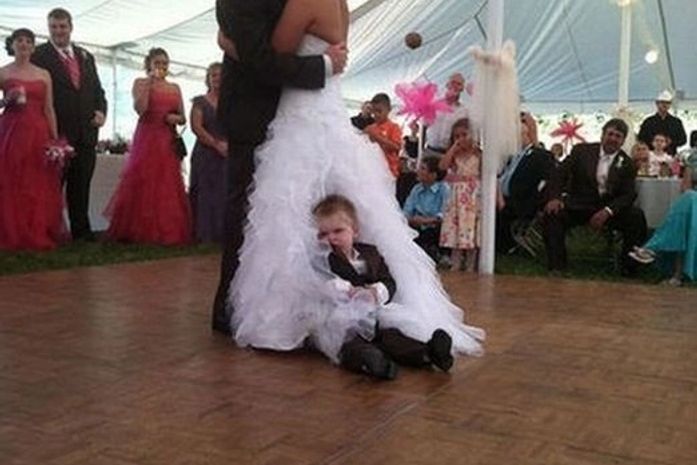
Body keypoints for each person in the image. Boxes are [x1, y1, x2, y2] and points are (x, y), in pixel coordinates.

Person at [226, 0, 484, 357]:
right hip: (328, 108)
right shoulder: (341, 5)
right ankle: (392, 320)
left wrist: (230, 45)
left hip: (302, 114)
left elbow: (274, 55)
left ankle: (303, 309)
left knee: (289, 208)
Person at [212, 0, 348, 335]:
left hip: (295, 113)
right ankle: (236, 303)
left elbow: (264, 55)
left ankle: (297, 304)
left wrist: (231, 46)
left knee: (291, 210)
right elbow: (262, 59)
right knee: (251, 212)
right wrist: (322, 65)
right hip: (255, 116)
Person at [311, 195, 455, 380]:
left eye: (338, 231)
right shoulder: (323, 260)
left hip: (375, 313)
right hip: (343, 320)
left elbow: (389, 281)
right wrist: (346, 289)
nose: (331, 238)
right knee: (351, 345)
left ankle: (428, 353)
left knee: (392, 337)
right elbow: (320, 282)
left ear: (355, 231)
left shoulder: (370, 253)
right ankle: (372, 362)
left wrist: (377, 291)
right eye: (323, 234)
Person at [32, 8, 107, 241]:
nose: (58, 31)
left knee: (81, 185)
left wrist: (101, 112)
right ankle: (49, 231)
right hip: (57, 134)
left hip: (86, 133)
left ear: (71, 27)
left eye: (62, 26)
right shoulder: (39, 55)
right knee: (52, 186)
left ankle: (81, 232)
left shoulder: (85, 56)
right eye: (53, 27)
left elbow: (98, 91)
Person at [104, 48, 191, 245]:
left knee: (167, 180)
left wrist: (174, 118)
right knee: (143, 178)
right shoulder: (140, 83)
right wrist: (150, 84)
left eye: (165, 63)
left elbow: (183, 117)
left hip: (167, 137)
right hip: (148, 136)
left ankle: (167, 229)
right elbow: (140, 109)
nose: (161, 67)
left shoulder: (175, 87)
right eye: (157, 63)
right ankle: (138, 228)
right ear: (149, 64)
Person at [543, 118, 648, 275]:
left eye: (618, 136)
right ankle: (557, 266)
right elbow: (559, 174)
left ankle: (629, 267)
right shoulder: (581, 151)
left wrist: (608, 211)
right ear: (602, 135)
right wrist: (555, 198)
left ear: (623, 141)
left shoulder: (627, 164)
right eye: (610, 134)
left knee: (636, 217)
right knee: (553, 213)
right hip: (579, 205)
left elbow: (628, 195)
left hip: (608, 209)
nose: (613, 139)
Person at [0, 28, 65, 250]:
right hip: (11, 131)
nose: (24, 44)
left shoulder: (44, 74)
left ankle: (36, 228)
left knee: (36, 181)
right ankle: (11, 230)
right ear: (12, 44)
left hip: (38, 132)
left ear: (33, 47)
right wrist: (5, 101)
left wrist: (55, 140)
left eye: (28, 41)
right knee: (12, 178)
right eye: (20, 40)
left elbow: (49, 108)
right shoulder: (3, 72)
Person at [629, 148, 697, 286]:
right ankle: (676, 273)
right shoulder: (694, 157)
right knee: (688, 203)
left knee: (688, 206)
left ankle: (654, 249)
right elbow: (686, 187)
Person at [496, 112, 555, 254]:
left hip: (520, 202)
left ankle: (505, 246)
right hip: (501, 197)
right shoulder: (511, 156)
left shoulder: (540, 156)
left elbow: (546, 182)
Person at [189, 62, 227, 243]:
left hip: (227, 152)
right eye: (213, 75)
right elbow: (196, 127)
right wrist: (215, 144)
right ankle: (204, 234)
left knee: (224, 191)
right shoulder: (200, 102)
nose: (217, 78)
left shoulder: (231, 101)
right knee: (204, 192)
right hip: (205, 152)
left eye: (220, 75)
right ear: (208, 79)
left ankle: (223, 233)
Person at [439, 118, 481, 271]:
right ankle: (455, 263)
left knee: (470, 227)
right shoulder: (455, 155)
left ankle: (470, 265)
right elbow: (442, 166)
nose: (461, 139)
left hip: (472, 195)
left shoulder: (478, 154)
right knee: (456, 227)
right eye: (457, 136)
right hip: (457, 195)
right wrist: (452, 149)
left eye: (464, 135)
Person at [403, 156, 449, 262]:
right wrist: (412, 219)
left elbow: (446, 213)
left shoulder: (444, 189)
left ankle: (441, 255)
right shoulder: (416, 189)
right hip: (417, 225)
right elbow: (406, 211)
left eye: (423, 169)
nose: (418, 171)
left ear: (433, 175)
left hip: (435, 226)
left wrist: (428, 220)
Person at [423, 73, 468, 157]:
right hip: (430, 151)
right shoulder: (434, 105)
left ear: (462, 88)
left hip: (450, 154)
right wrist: (421, 149)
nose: (455, 86)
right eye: (453, 82)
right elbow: (424, 126)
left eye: (459, 84)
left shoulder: (464, 111)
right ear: (447, 85)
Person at [363, 93, 402, 178]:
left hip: (389, 172)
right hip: (371, 170)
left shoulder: (394, 127)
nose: (376, 115)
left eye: (379, 111)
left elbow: (396, 147)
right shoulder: (370, 128)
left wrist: (377, 138)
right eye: (374, 112)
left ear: (389, 109)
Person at [638, 90, 687, 155]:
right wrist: (653, 142)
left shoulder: (676, 122)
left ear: (670, 105)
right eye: (662, 102)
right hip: (651, 155)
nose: (665, 105)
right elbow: (641, 139)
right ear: (657, 103)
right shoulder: (648, 122)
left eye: (667, 103)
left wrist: (671, 142)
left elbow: (683, 140)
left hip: (670, 155)